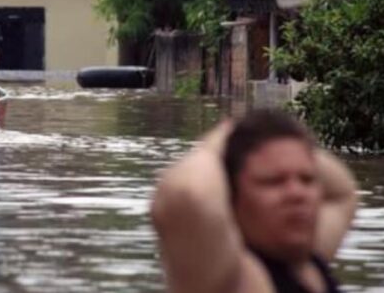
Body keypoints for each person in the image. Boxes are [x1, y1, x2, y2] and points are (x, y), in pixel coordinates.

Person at [151, 110, 357, 293]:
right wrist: (220, 143)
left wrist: (277, 143)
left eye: (307, 179)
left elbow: (342, 191)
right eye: (273, 182)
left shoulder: (308, 259)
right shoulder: (229, 275)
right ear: (233, 196)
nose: (297, 193)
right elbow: (188, 193)